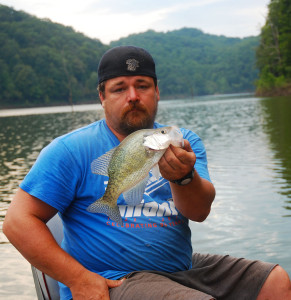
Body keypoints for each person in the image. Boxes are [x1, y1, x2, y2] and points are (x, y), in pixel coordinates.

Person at [3, 46, 291, 300]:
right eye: (119, 88)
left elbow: (199, 211)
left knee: (275, 282)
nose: (133, 96)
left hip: (180, 267)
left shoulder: (181, 141)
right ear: (102, 97)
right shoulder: (70, 150)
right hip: (113, 280)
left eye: (142, 86)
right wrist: (80, 279)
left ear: (157, 92)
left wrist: (183, 177)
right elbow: (17, 222)